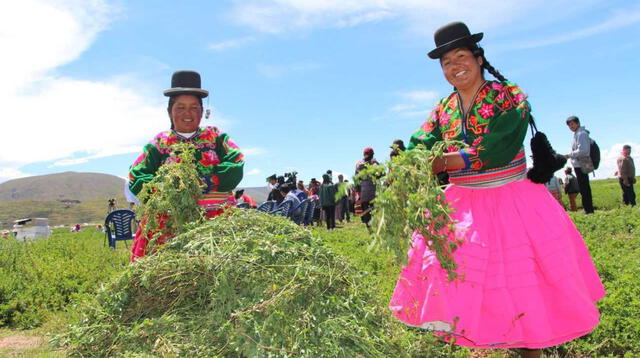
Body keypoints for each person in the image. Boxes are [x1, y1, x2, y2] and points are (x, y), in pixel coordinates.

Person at [388, 22, 604, 358]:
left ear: (477, 57)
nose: (454, 67)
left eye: (461, 56)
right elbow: (421, 144)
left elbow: (498, 146)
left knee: (523, 291)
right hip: (462, 207)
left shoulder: (508, 98)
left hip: (511, 203)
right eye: (446, 62)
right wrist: (409, 162)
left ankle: (530, 350)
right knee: (464, 286)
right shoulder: (442, 109)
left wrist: (444, 162)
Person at [128, 70, 244, 260]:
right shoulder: (159, 143)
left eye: (194, 108)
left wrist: (210, 180)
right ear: (169, 112)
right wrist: (168, 189)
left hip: (216, 221)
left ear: (202, 111)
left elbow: (236, 163)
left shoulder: (216, 137)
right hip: (169, 223)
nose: (187, 113)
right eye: (180, 107)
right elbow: (137, 176)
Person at [564, 116, 594, 214]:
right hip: (579, 164)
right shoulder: (577, 134)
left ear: (578, 123)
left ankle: (588, 209)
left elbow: (583, 150)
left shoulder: (581, 134)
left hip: (581, 164)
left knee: (584, 187)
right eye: (569, 125)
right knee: (583, 186)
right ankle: (588, 208)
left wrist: (569, 155)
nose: (571, 126)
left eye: (572, 124)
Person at [355, 147, 380, 230]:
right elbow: (380, 174)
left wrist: (358, 191)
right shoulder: (374, 163)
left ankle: (369, 229)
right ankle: (375, 229)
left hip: (363, 193)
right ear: (372, 154)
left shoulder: (359, 165)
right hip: (374, 193)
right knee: (374, 211)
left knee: (366, 211)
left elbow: (356, 180)